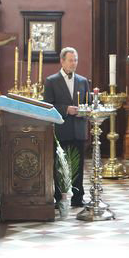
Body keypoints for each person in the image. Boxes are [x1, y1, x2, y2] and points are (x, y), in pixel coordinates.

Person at [43, 47, 91, 207]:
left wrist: (83, 110)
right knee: (59, 165)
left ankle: (78, 198)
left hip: (78, 128)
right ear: (62, 61)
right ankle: (58, 197)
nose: (74, 63)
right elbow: (48, 105)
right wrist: (66, 109)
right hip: (61, 129)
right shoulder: (51, 81)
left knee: (78, 165)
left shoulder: (83, 81)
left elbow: (88, 103)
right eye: (71, 60)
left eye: (76, 60)